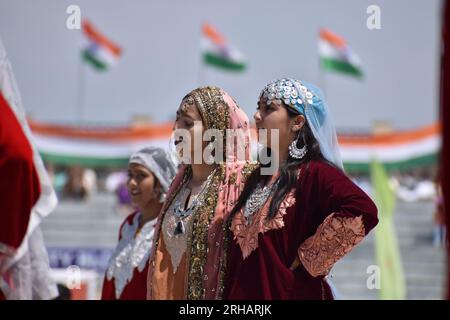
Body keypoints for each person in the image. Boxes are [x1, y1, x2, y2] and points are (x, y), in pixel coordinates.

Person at [223, 78, 379, 300]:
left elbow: (363, 208)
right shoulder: (257, 177)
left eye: (269, 108)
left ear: (297, 122)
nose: (257, 115)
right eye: (258, 107)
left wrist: (311, 257)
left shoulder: (315, 173)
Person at [147, 86, 256, 300]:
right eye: (178, 120)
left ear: (215, 131)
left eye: (188, 123)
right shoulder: (178, 185)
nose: (178, 129)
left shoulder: (239, 185)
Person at [101, 147, 177, 300]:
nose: (131, 183)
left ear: (160, 182)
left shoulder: (171, 227)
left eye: (141, 176)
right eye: (130, 175)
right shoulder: (129, 224)